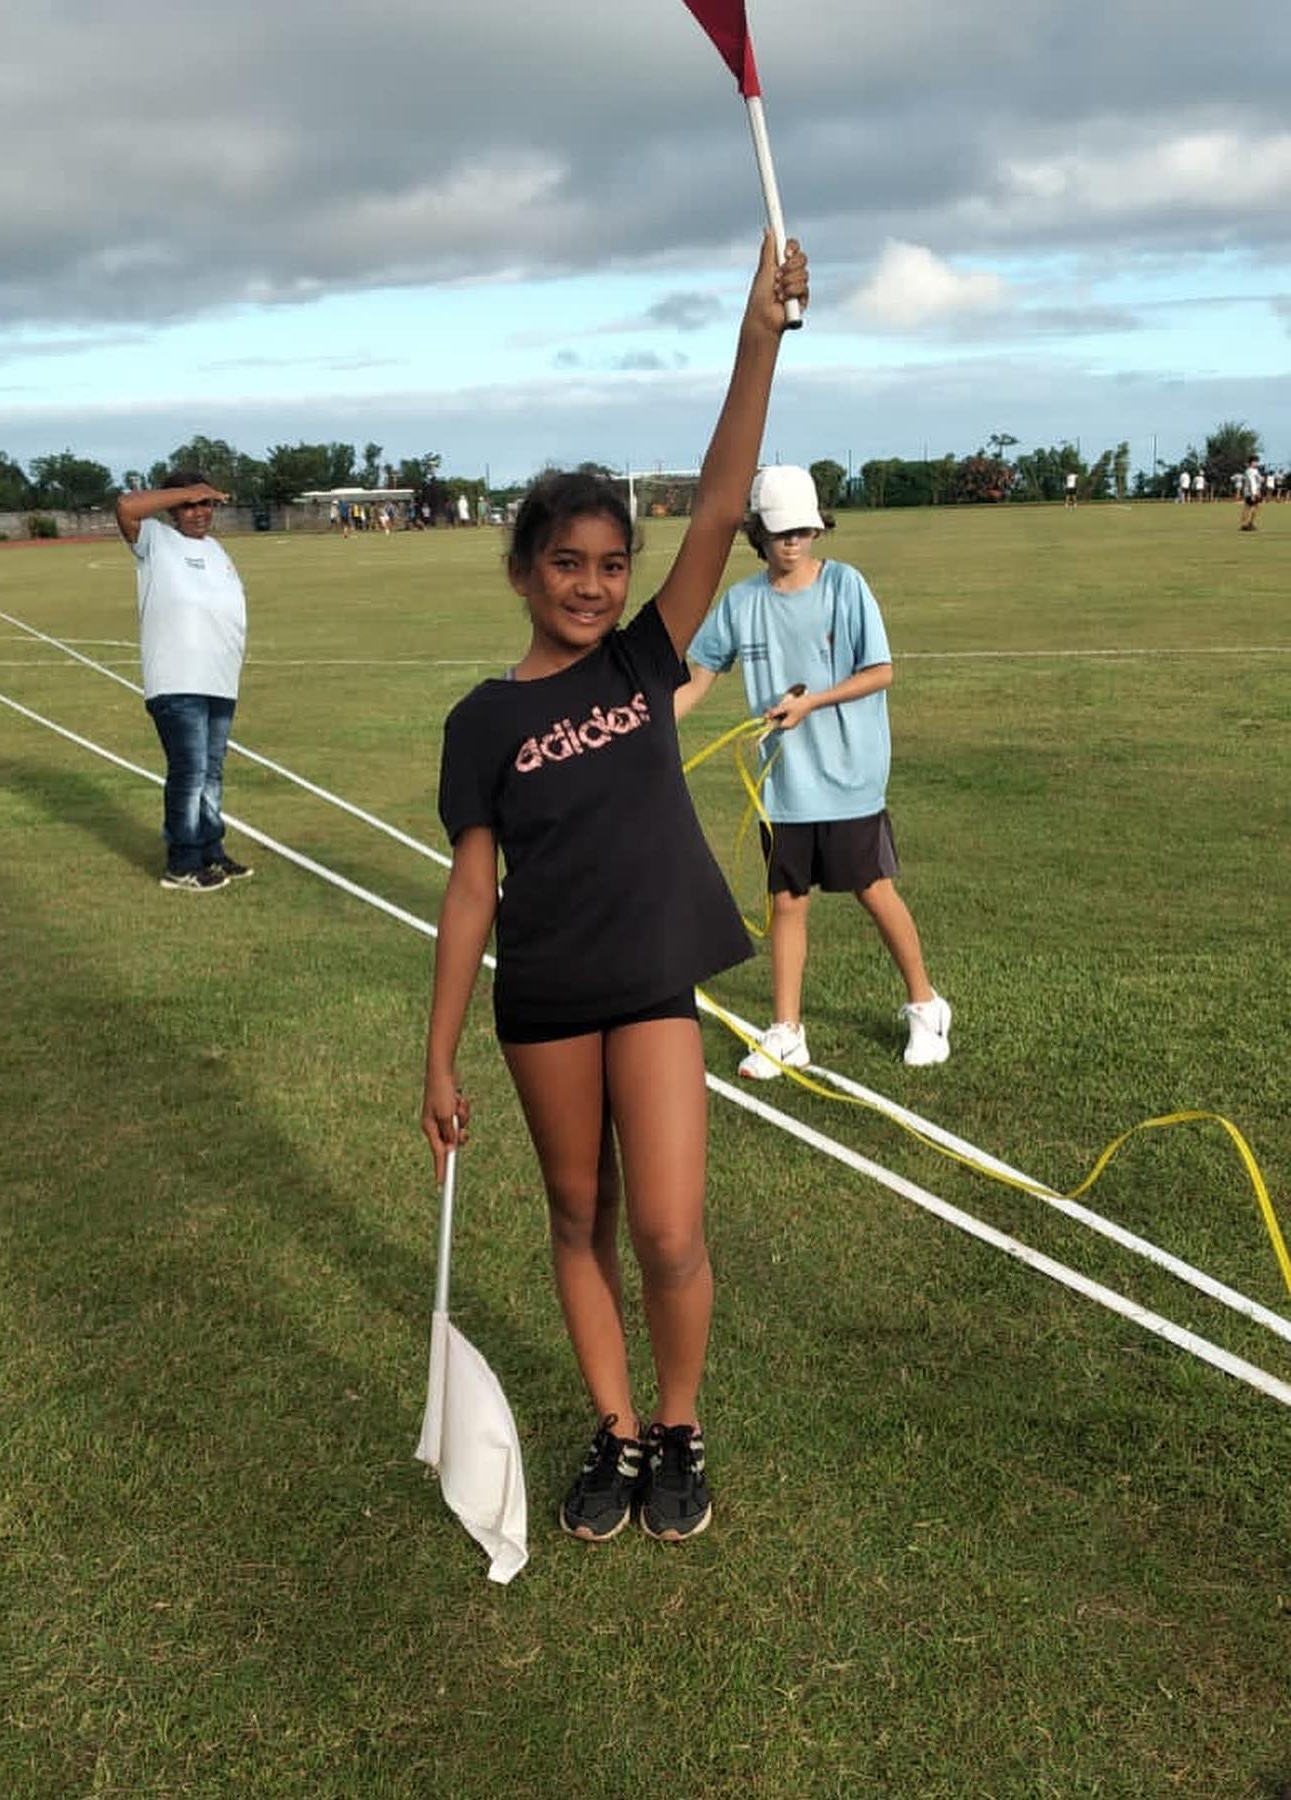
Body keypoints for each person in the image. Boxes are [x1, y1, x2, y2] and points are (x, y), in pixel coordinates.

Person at [421, 233, 807, 1547]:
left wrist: (756, 337)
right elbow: (472, 893)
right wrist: (437, 1057)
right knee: (576, 1218)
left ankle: (680, 1424)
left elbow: (721, 500)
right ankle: (617, 1428)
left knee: (669, 1230)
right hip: (542, 999)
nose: (592, 585)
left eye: (609, 563)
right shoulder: (481, 720)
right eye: (566, 563)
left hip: (647, 986)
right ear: (524, 571)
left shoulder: (644, 661)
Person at [676, 465, 950, 1076]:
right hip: (784, 787)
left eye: (802, 530)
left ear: (817, 527)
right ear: (759, 533)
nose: (793, 542)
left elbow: (880, 671)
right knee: (787, 901)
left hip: (849, 777)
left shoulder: (845, 586)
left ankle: (926, 1007)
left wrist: (812, 703)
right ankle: (787, 1031)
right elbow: (698, 675)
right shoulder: (742, 603)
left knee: (872, 888)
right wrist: (644, 730)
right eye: (781, 532)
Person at [114, 469, 254, 891]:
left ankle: (211, 850)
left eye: (205, 503)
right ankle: (182, 864)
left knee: (211, 773)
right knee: (190, 772)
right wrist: (188, 490)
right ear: (173, 508)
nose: (198, 512)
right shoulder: (155, 540)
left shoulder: (217, 550)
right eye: (188, 505)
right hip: (177, 679)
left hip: (218, 679)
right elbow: (126, 507)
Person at [1240, 455, 1263, 531]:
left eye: (1257, 462)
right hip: (1250, 492)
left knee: (1253, 507)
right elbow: (1252, 482)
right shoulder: (1250, 471)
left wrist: (1261, 479)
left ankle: (1248, 523)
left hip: (1254, 491)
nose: (1257, 463)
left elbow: (1258, 479)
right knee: (1249, 508)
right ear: (1251, 462)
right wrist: (1253, 494)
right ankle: (1246, 524)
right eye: (1255, 462)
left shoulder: (1254, 470)